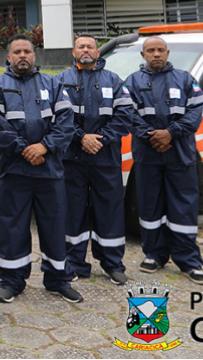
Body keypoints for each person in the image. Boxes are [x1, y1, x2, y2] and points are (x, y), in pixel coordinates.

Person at [0, 34, 82, 303]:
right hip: (14, 171)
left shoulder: (53, 85)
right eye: (16, 52)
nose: (22, 56)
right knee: (12, 227)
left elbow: (66, 123)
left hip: (48, 170)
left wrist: (44, 147)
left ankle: (57, 279)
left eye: (26, 51)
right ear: (8, 57)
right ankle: (12, 280)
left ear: (34, 55)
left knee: (54, 226)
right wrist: (23, 149)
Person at [124, 36, 203, 285]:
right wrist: (154, 137)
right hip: (147, 155)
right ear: (143, 55)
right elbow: (128, 114)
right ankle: (154, 255)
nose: (156, 54)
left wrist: (170, 133)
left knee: (183, 208)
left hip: (179, 154)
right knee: (149, 208)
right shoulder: (131, 82)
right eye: (151, 50)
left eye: (160, 50)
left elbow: (195, 112)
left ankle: (189, 262)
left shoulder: (185, 79)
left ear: (168, 52)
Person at [57, 35, 134, 285]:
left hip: (106, 158)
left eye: (90, 46)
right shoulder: (60, 81)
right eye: (81, 46)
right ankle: (74, 263)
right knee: (73, 212)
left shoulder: (114, 81)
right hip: (72, 159)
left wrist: (100, 139)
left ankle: (113, 264)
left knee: (109, 211)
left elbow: (125, 116)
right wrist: (81, 138)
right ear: (73, 52)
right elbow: (58, 118)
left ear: (98, 53)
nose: (86, 50)